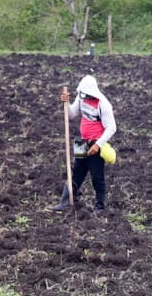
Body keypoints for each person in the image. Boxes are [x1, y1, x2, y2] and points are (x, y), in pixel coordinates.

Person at [50, 75, 117, 212]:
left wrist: (97, 145)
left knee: (96, 176)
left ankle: (100, 207)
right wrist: (66, 103)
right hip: (82, 142)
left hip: (96, 144)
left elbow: (112, 127)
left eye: (87, 94)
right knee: (76, 173)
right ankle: (65, 202)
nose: (85, 96)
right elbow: (72, 114)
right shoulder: (81, 97)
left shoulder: (103, 104)